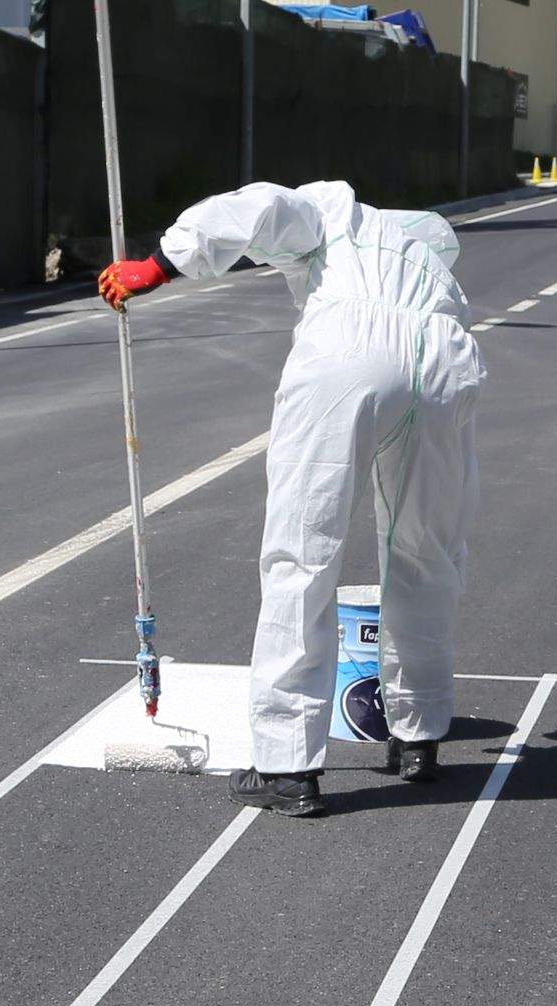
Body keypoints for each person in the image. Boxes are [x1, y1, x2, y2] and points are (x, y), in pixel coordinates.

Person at [100, 180, 485, 817]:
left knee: (302, 555)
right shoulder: (425, 259)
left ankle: (287, 767)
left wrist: (164, 263)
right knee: (426, 549)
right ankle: (419, 735)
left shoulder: (335, 211)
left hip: (349, 353)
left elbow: (261, 209)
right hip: (446, 361)